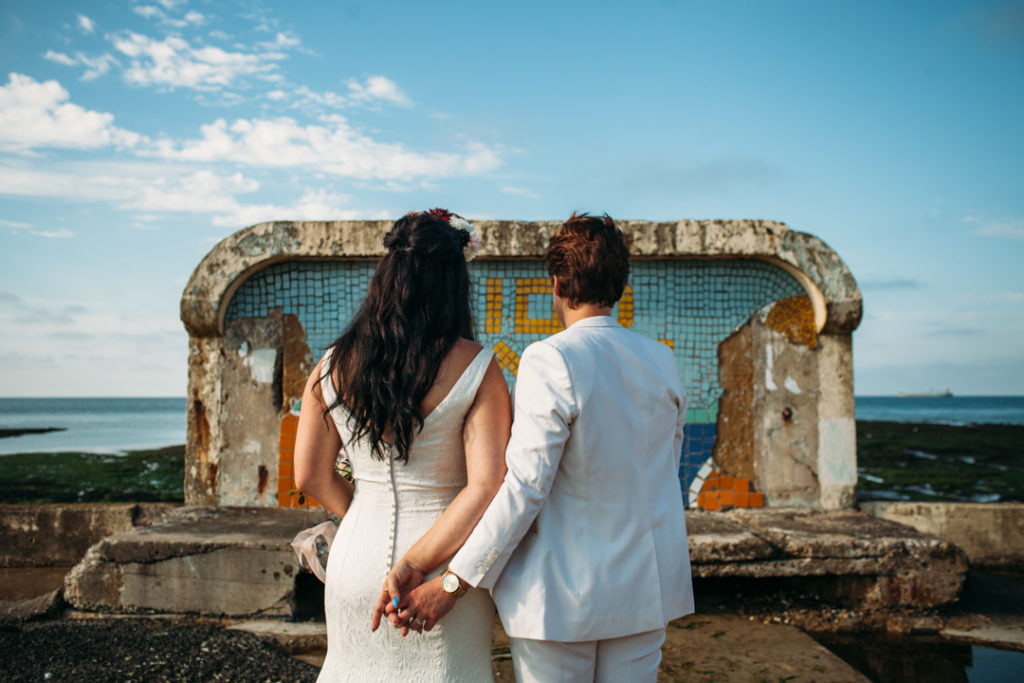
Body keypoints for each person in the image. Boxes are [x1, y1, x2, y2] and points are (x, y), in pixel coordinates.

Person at [382, 212, 694, 682]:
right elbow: (663, 471)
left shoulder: (551, 359)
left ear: (556, 283)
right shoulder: (662, 361)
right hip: (644, 593)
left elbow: (524, 488)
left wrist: (451, 583)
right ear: (620, 284)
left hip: (560, 599)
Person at [293, 210, 512, 682]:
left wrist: (360, 514)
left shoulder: (332, 365)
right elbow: (487, 485)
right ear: (454, 283)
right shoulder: (478, 368)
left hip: (354, 558)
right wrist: (417, 560)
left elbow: (308, 474)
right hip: (444, 567)